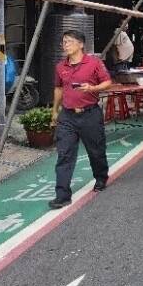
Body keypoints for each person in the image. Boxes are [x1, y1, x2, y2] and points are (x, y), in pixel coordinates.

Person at [49, 30, 112, 209]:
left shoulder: (94, 63)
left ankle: (101, 177)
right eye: (64, 42)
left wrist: (92, 88)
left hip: (90, 114)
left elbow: (107, 82)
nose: (65, 45)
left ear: (81, 44)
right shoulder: (60, 66)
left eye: (69, 41)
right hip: (67, 116)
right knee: (64, 154)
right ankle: (62, 195)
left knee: (96, 150)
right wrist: (55, 111)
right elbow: (59, 89)